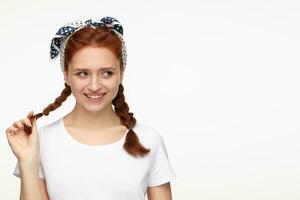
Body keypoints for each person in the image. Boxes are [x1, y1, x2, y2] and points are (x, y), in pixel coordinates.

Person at [5, 16, 177, 200]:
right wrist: (28, 161)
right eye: (82, 74)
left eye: (106, 73)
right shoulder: (41, 142)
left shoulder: (149, 140)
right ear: (66, 75)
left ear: (121, 73)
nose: (94, 86)